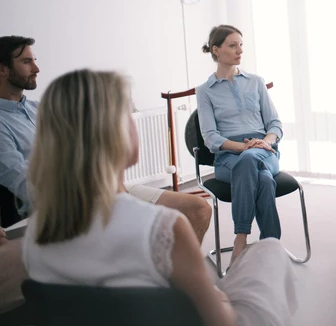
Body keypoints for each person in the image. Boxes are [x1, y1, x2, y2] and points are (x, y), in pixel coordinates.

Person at [22, 70, 297, 326]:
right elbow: (221, 323)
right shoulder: (163, 227)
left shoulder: (36, 233)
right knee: (270, 251)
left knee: (262, 186)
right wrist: (219, 298)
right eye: (129, 114)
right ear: (113, 133)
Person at [0, 36, 211, 241]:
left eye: (34, 60)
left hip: (99, 187)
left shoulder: (39, 109)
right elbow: (24, 182)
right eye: (26, 62)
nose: (36, 68)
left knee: (198, 209)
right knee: (151, 229)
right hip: (69, 203)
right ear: (3, 69)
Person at [196, 25, 284, 265]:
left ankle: (241, 239)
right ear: (216, 50)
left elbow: (275, 124)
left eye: (241, 45)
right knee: (263, 180)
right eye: (233, 45)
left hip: (264, 151)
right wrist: (243, 148)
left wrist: (264, 142)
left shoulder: (256, 82)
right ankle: (271, 245)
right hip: (228, 157)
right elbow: (210, 137)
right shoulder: (205, 91)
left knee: (251, 161)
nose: (240, 50)